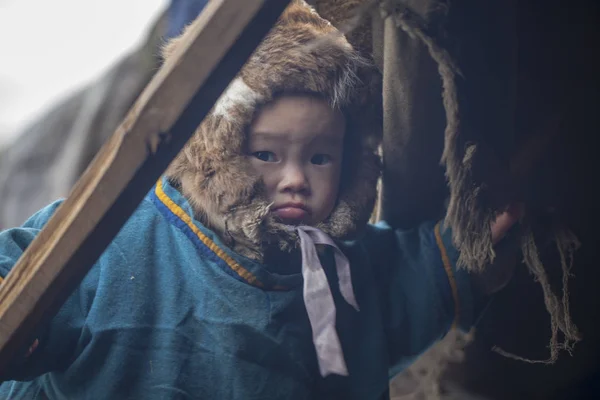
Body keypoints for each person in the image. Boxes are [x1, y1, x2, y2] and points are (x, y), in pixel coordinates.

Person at [0, 1, 520, 399]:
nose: (295, 179)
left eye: (320, 158)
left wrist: (461, 252)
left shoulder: (349, 266)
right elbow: (27, 263)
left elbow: (408, 281)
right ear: (218, 151)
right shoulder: (119, 233)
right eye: (267, 155)